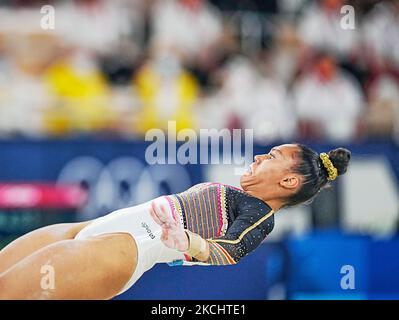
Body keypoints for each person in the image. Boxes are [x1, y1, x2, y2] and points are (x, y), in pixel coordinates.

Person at [0, 143, 351, 300]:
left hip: (124, 249)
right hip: (98, 228)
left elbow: (229, 250)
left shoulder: (261, 216)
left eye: (273, 156)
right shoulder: (238, 195)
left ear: (289, 182)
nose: (260, 155)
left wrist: (189, 243)